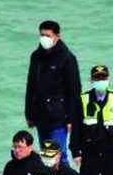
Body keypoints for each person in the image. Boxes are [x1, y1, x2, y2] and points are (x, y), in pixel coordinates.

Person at [25, 20, 81, 164]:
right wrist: (29, 113)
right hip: (40, 115)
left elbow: (74, 90)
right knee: (46, 154)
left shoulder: (67, 58)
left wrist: (71, 118)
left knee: (59, 154)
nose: (44, 38)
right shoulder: (36, 57)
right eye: (42, 35)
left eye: (48, 35)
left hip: (59, 116)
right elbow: (31, 86)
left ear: (58, 36)